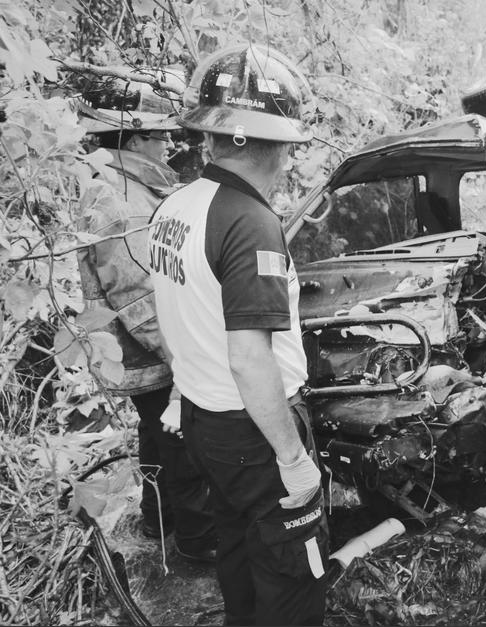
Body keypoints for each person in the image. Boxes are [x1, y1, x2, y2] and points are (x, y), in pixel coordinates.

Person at [148, 45, 328, 626]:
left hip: (205, 419)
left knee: (238, 545)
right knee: (290, 567)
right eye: (285, 143)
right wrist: (292, 455)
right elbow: (251, 359)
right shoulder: (250, 223)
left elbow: (180, 315)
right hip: (252, 432)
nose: (288, 158)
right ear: (262, 142)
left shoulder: (176, 206)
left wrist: (181, 393)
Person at [73, 74, 217, 564]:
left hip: (144, 352)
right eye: (161, 136)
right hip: (153, 350)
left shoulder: (128, 186)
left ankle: (162, 522)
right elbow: (136, 294)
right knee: (181, 442)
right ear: (133, 139)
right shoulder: (117, 197)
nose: (171, 144)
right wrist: (182, 355)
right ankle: (198, 542)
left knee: (157, 435)